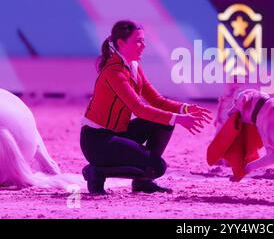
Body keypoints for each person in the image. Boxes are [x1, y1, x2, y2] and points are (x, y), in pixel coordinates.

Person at [80, 20, 211, 194]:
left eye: (143, 40)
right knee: (157, 168)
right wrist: (179, 119)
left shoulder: (133, 66)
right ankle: (97, 171)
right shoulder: (114, 72)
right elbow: (139, 108)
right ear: (121, 43)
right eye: (138, 41)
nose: (144, 45)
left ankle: (142, 183)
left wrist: (185, 109)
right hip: (97, 142)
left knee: (165, 122)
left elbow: (157, 100)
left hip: (116, 134)